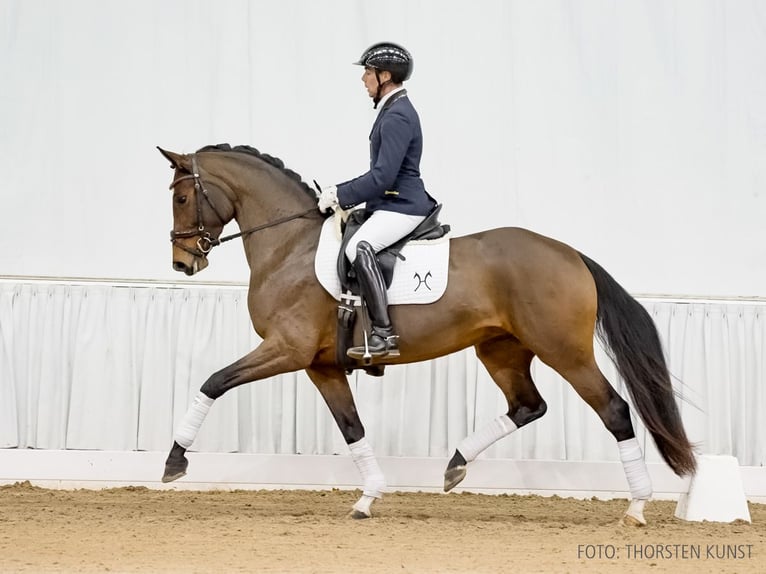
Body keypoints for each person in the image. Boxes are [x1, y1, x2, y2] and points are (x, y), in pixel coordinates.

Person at [317, 42, 437, 360]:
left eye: (368, 72)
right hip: (391, 203)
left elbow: (382, 178)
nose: (364, 79)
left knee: (359, 247)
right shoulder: (392, 109)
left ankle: (383, 334)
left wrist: (340, 194)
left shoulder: (398, 115)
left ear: (385, 75)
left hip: (403, 205)